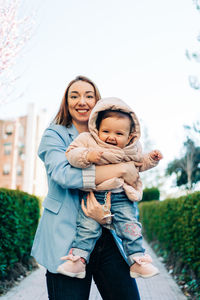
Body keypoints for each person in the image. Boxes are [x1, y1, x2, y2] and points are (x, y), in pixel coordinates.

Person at [31, 76, 142, 300]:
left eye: (89, 96)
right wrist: (121, 169)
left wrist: (107, 215)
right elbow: (64, 175)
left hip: (108, 236)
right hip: (66, 240)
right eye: (75, 96)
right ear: (67, 102)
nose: (82, 101)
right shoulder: (54, 135)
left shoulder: (110, 133)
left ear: (97, 101)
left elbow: (128, 184)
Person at [56, 97, 163, 280]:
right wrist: (88, 155)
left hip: (122, 196)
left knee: (130, 226)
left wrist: (151, 159)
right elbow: (71, 154)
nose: (111, 137)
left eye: (119, 134)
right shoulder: (88, 140)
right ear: (97, 129)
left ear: (130, 136)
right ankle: (78, 261)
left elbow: (139, 164)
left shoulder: (133, 149)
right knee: (87, 228)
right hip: (95, 194)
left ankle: (138, 261)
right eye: (106, 131)